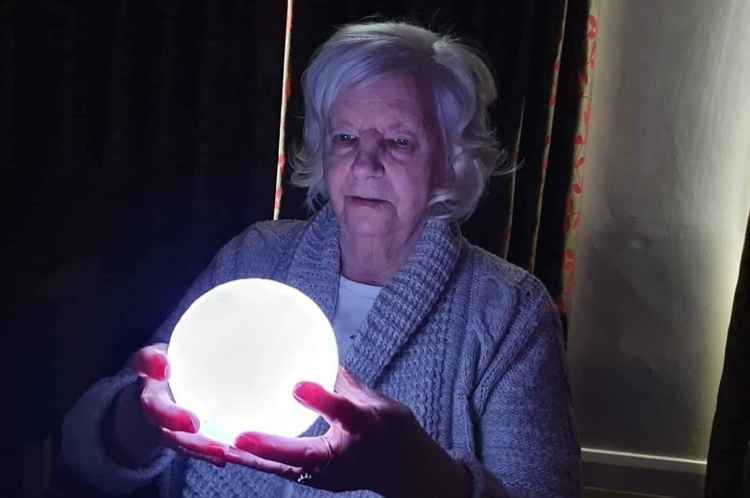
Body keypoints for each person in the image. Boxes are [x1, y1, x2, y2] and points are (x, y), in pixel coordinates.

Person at [62, 21, 581, 498]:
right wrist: (136, 418)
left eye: (399, 141)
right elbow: (89, 453)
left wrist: (419, 473)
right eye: (346, 137)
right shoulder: (255, 258)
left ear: (450, 162)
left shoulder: (509, 311)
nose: (365, 162)